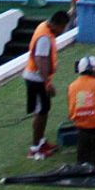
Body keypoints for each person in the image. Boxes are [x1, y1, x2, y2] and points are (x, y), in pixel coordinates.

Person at [23, 10, 69, 160]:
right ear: (58, 25)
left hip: (37, 78)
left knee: (44, 110)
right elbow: (40, 59)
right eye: (63, 27)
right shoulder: (44, 37)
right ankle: (35, 149)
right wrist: (47, 82)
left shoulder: (45, 27)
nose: (63, 31)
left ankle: (41, 142)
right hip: (36, 80)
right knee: (40, 112)